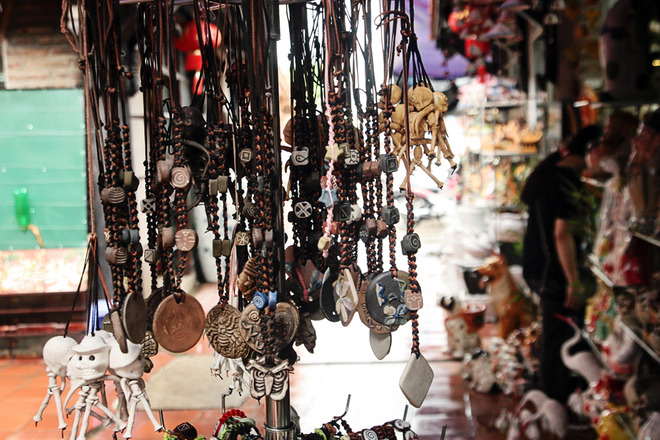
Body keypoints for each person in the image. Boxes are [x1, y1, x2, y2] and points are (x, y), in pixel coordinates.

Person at [521, 124, 602, 404]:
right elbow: (562, 233)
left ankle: (553, 400)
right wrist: (574, 282)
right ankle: (557, 403)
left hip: (540, 267)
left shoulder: (550, 175)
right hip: (555, 272)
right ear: (590, 150)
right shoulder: (567, 182)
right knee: (560, 335)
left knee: (555, 335)